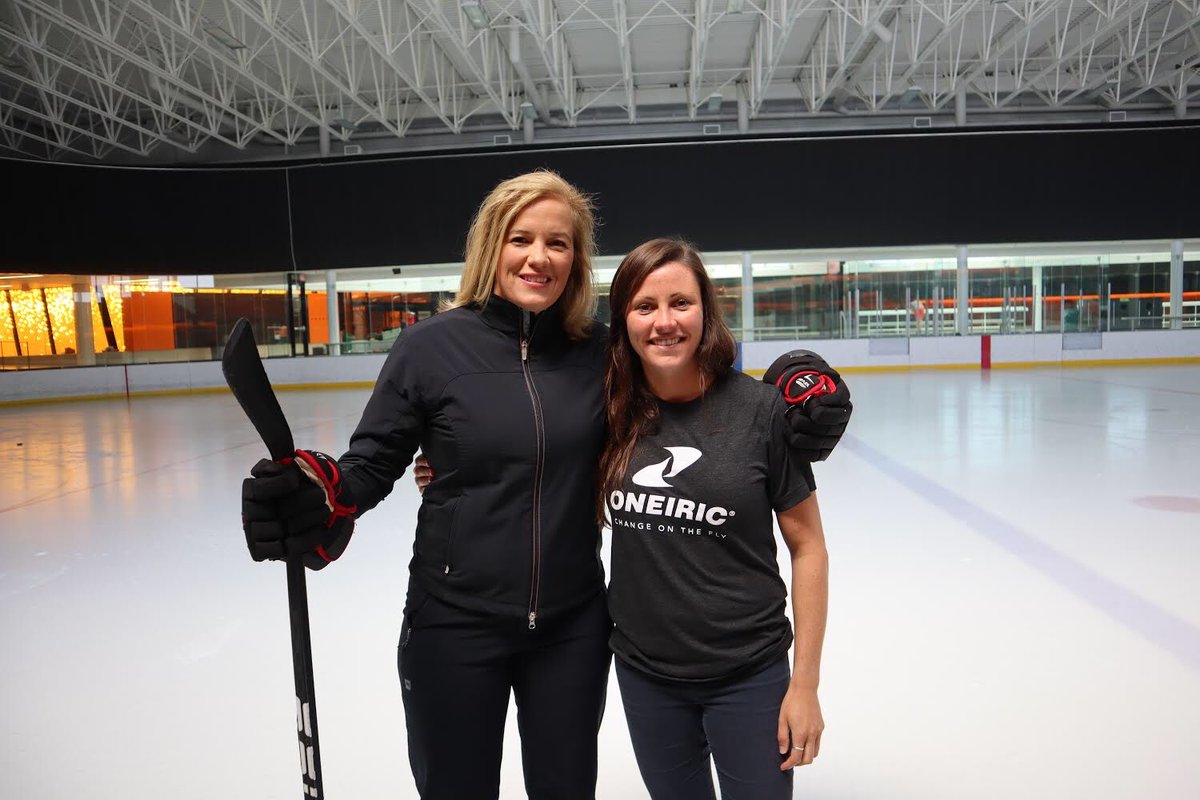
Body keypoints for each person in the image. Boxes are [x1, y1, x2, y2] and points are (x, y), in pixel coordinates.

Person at [241, 171, 848, 800]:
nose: (539, 257)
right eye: (521, 239)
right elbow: (369, 464)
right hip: (454, 621)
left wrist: (798, 378)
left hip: (571, 628)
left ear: (576, 260)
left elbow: (691, 373)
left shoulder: (602, 354)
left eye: (558, 243)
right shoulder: (429, 349)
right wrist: (319, 490)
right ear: (491, 246)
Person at [599, 238, 829, 800]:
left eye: (681, 302)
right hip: (646, 675)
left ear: (706, 310)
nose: (664, 322)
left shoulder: (761, 412)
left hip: (749, 673)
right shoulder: (608, 410)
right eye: (645, 306)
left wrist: (804, 684)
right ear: (623, 319)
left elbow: (809, 548)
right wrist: (443, 466)